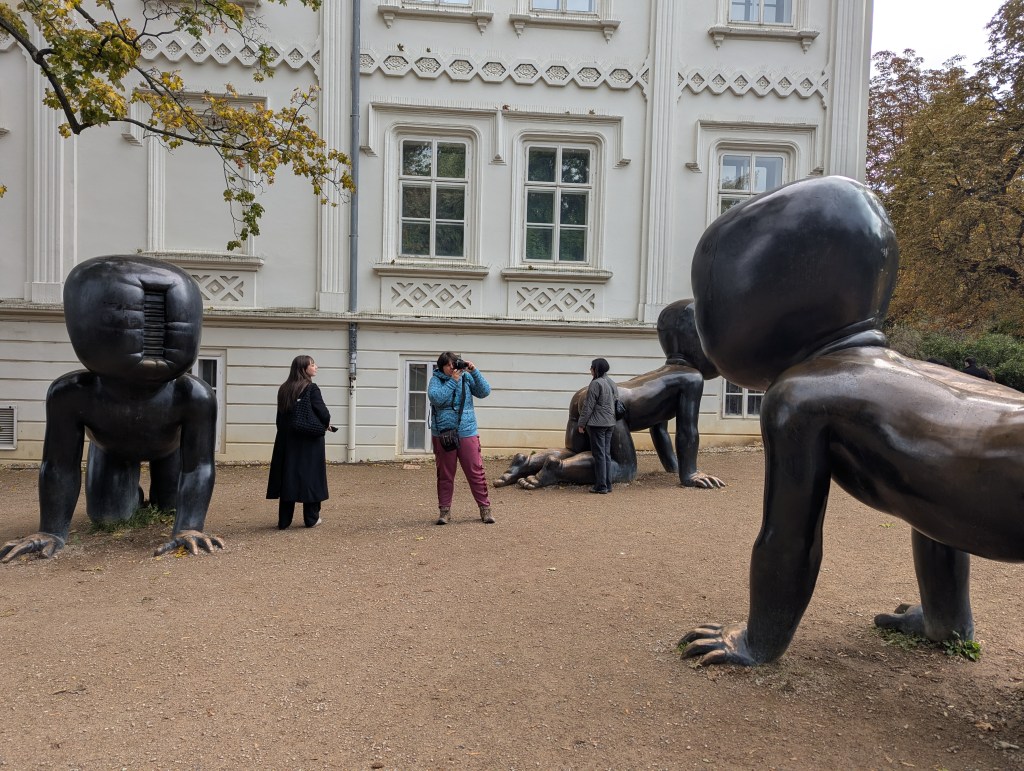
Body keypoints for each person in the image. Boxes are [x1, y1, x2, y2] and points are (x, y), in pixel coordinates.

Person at [266, 355, 337, 529]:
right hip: (309, 440)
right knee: (311, 477)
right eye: (312, 365)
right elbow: (323, 412)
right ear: (303, 369)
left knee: (287, 476)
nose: (316, 367)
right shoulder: (311, 388)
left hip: (286, 440)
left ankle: (284, 521)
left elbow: (279, 417)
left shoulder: (284, 388)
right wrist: (326, 424)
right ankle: (311, 519)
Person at [428, 351, 493, 525]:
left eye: (454, 364)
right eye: (448, 365)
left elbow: (485, 391)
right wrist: (452, 381)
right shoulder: (436, 380)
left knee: (475, 472)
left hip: (467, 431)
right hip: (443, 432)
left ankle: (485, 509)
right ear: (441, 366)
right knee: (445, 474)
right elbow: (437, 398)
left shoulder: (466, 377)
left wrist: (475, 372)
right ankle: (444, 512)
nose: (452, 368)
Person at [577, 358, 617, 494]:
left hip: (598, 424)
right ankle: (608, 484)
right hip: (610, 422)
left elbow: (588, 406)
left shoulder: (596, 383)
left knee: (599, 455)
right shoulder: (611, 383)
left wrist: (581, 423)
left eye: (592, 367)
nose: (590, 369)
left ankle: (601, 486)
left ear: (596, 369)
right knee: (606, 454)